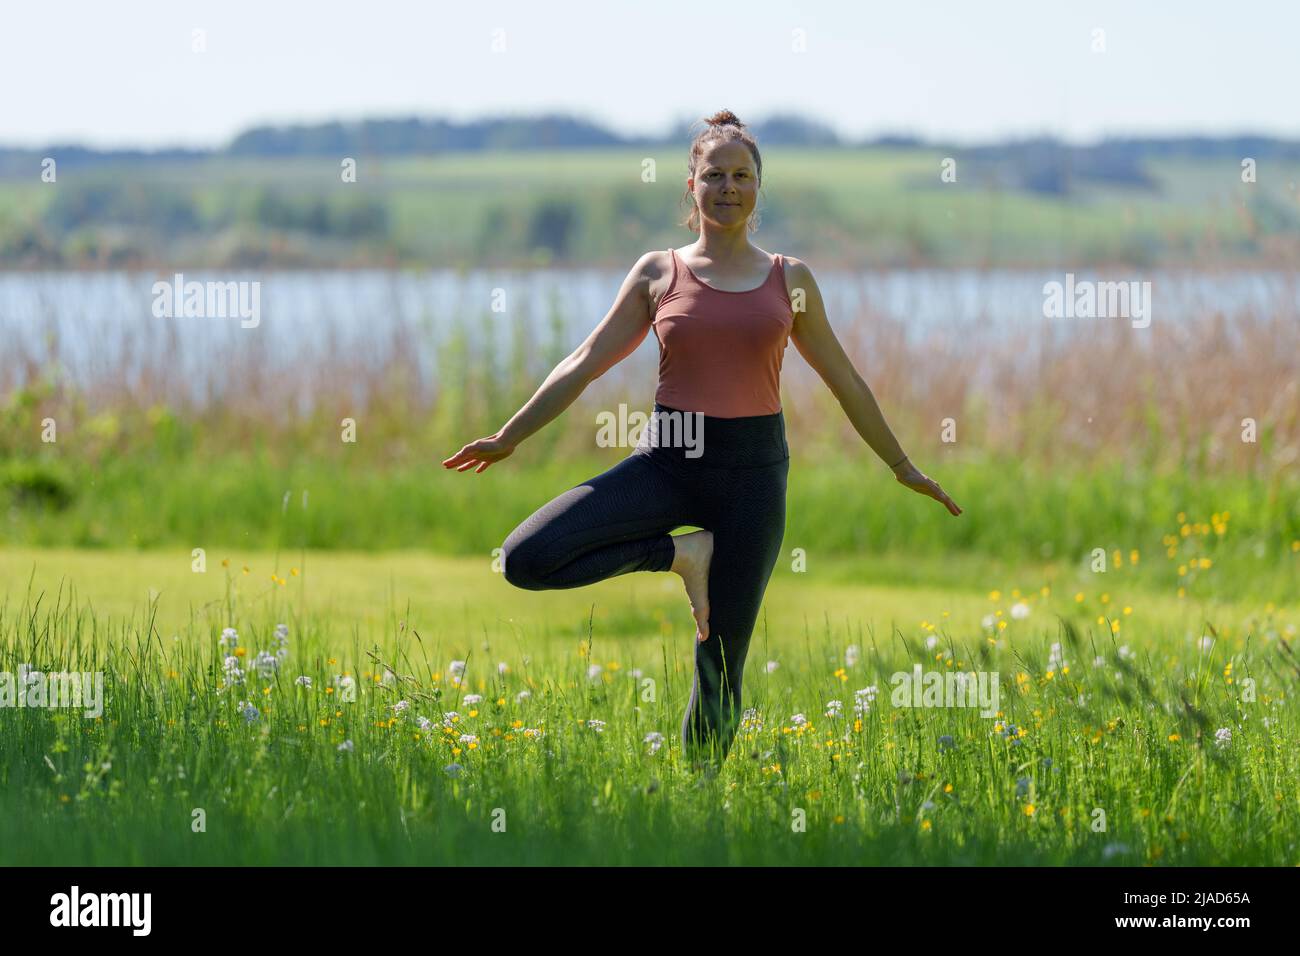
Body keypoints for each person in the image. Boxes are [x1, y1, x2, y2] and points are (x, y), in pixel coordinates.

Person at [443, 109, 961, 769]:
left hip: (753, 477)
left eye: (741, 176)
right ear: (691, 185)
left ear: (758, 187)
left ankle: (699, 807)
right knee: (526, 558)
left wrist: (902, 464)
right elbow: (583, 361)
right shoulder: (658, 273)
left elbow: (845, 378)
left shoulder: (790, 280)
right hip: (669, 460)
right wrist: (508, 435)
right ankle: (681, 554)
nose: (728, 187)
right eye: (714, 175)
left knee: (719, 661)